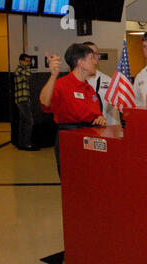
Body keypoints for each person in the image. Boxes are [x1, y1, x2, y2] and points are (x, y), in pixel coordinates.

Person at [39, 43, 107, 176]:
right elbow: (44, 103)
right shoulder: (61, 84)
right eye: (91, 59)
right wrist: (53, 76)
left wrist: (100, 119)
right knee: (72, 182)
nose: (95, 62)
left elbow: (95, 114)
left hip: (90, 138)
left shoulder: (89, 88)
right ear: (81, 63)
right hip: (69, 140)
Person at [83, 41, 121, 126]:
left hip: (103, 126)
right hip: (83, 126)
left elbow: (113, 109)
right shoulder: (77, 80)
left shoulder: (107, 80)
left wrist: (115, 128)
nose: (94, 56)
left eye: (96, 53)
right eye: (90, 53)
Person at [14, 53, 38, 151]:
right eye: (26, 61)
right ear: (21, 61)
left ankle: (21, 143)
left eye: (29, 61)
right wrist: (28, 67)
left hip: (24, 99)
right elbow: (28, 74)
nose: (28, 63)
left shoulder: (22, 70)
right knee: (29, 121)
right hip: (21, 99)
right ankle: (27, 143)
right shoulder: (19, 70)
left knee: (23, 122)